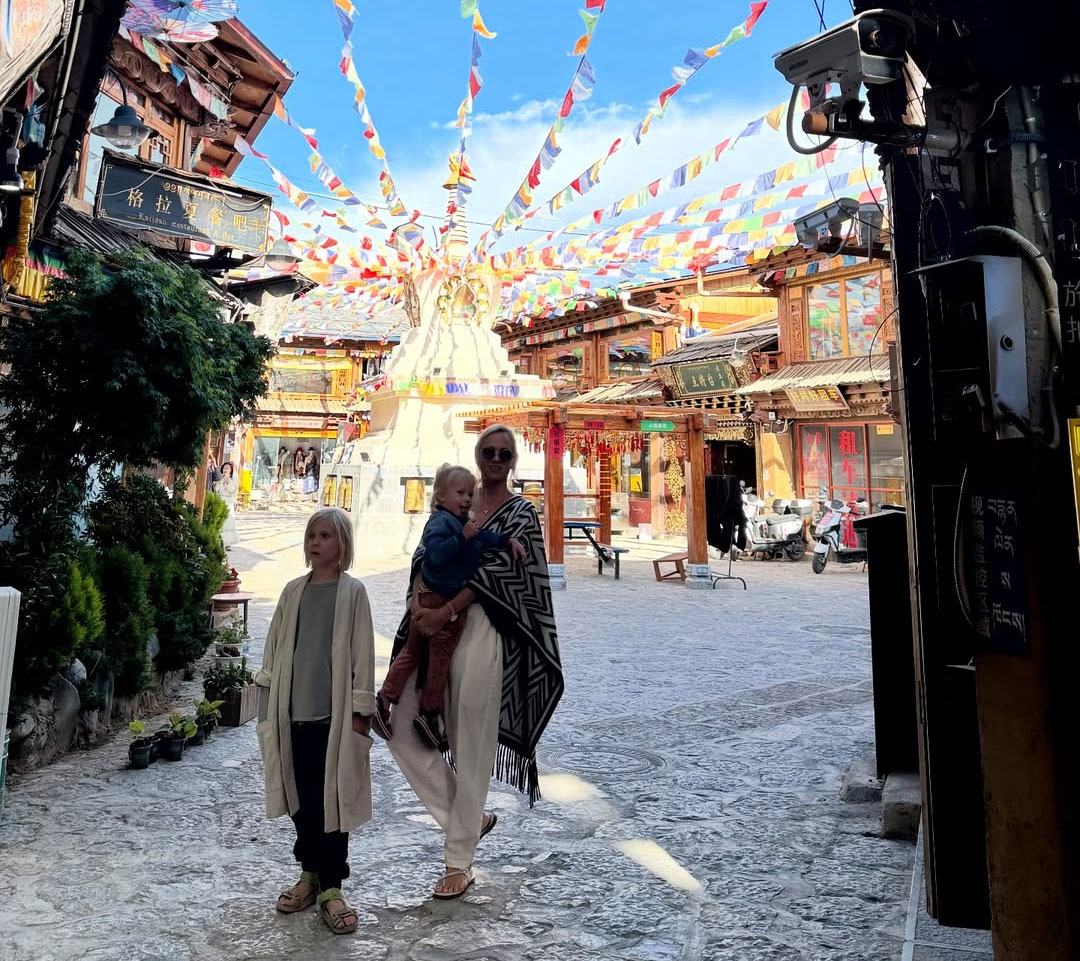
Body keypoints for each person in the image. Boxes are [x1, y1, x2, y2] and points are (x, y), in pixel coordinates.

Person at [385, 425, 564, 900]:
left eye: (505, 453)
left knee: (471, 743)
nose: (497, 459)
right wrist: (422, 608)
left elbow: (510, 574)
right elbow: (425, 556)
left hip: (487, 630)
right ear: (477, 454)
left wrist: (449, 607)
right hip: (432, 627)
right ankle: (469, 817)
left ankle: (458, 860)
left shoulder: (523, 514)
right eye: (489, 450)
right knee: (401, 724)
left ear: (514, 460)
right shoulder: (452, 503)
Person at [254, 507, 375, 935]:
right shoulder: (292, 592)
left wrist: (362, 711)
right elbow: (273, 648)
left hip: (334, 718)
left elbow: (362, 654)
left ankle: (332, 886)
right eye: (311, 535)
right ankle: (308, 874)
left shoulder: (353, 592)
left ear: (342, 544)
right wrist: (266, 699)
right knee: (300, 797)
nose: (315, 542)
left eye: (325, 535)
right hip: (293, 714)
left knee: (334, 803)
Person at [372, 464, 526, 751]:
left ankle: (385, 700)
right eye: (460, 493)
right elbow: (436, 555)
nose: (467, 498)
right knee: (438, 660)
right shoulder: (442, 523)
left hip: (432, 596)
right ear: (441, 496)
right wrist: (464, 537)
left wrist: (507, 541)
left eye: (470, 493)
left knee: (413, 653)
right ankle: (429, 713)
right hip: (439, 599)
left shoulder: (459, 521)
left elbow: (483, 538)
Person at [218, 461, 239, 548]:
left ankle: (228, 542)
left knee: (228, 521)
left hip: (228, 501)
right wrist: (222, 482)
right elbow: (217, 489)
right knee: (221, 521)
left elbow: (232, 490)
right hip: (220, 499)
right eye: (224, 468)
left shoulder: (233, 479)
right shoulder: (219, 478)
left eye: (228, 468)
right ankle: (220, 540)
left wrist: (227, 483)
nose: (226, 470)